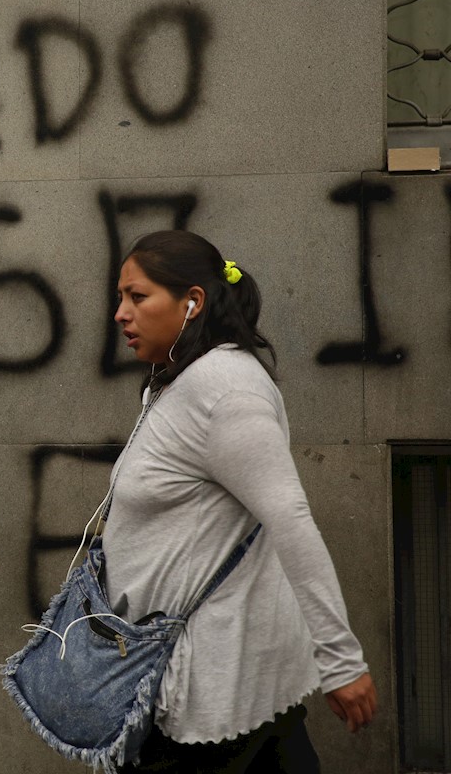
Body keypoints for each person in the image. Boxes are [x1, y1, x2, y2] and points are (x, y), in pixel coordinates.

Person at [106, 230, 377, 773]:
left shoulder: (227, 391)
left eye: (137, 297)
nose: (120, 314)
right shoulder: (175, 385)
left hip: (213, 697)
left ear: (193, 302)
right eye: (121, 298)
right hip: (175, 684)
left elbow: (291, 520)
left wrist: (341, 661)